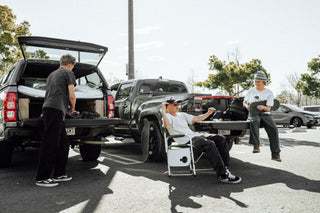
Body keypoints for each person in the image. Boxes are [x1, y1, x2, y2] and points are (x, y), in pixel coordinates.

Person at [162, 97, 242, 184]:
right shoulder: (167, 117)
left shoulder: (182, 115)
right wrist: (163, 111)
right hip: (186, 140)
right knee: (209, 144)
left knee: (220, 138)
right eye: (174, 104)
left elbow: (198, 118)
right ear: (167, 106)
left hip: (195, 136)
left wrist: (209, 113)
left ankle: (225, 168)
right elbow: (168, 127)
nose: (177, 106)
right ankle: (223, 175)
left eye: (177, 104)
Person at [35, 54, 77, 187]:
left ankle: (59, 174)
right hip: (55, 110)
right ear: (70, 64)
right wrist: (73, 107)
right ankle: (42, 178)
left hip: (51, 110)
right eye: (73, 66)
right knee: (50, 144)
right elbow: (72, 94)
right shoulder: (68, 73)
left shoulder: (51, 75)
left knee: (63, 143)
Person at [243, 70, 281, 162]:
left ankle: (275, 154)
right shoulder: (251, 91)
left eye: (258, 82)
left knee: (273, 129)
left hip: (265, 112)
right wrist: (247, 106)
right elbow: (244, 101)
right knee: (254, 121)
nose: (256, 83)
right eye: (255, 81)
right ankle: (256, 145)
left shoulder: (269, 93)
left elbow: (268, 108)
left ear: (264, 82)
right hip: (253, 112)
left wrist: (263, 107)